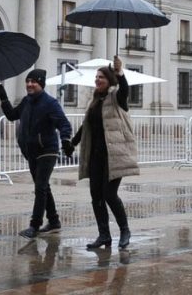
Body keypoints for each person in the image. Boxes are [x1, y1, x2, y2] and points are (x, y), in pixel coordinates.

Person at [69, 55, 139, 250]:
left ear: (109, 80)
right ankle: (104, 235)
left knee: (109, 194)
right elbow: (86, 126)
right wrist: (73, 143)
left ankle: (124, 230)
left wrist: (120, 73)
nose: (97, 80)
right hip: (96, 156)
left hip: (114, 155)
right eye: (97, 77)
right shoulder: (94, 100)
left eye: (101, 77)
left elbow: (124, 90)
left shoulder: (116, 98)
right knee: (96, 196)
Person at [0, 69, 74, 239]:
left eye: (34, 82)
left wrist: (66, 140)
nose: (29, 84)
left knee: (40, 187)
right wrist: (3, 97)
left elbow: (64, 124)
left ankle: (35, 225)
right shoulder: (27, 101)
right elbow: (12, 115)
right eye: (28, 81)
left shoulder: (50, 103)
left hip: (47, 150)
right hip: (31, 151)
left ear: (41, 84)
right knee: (44, 187)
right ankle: (54, 220)